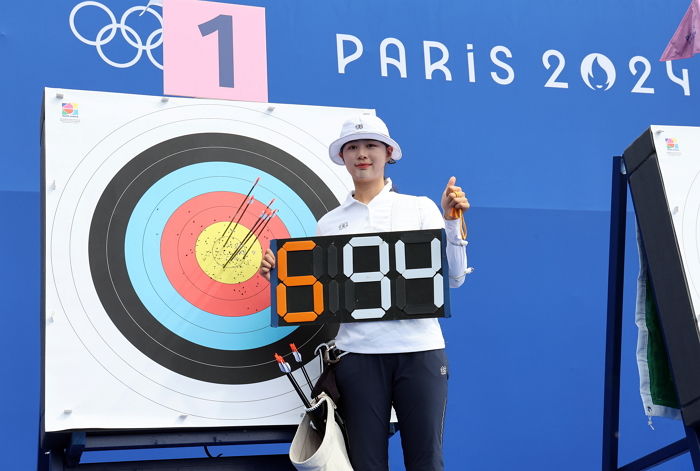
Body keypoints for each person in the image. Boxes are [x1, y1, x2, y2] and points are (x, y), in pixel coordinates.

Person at [260, 114, 469, 471]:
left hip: (419, 354)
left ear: (388, 153)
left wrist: (451, 223)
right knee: (365, 463)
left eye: (371, 145)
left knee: (427, 461)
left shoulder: (419, 207)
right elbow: (321, 297)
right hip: (357, 359)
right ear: (342, 157)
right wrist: (279, 278)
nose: (362, 154)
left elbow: (453, 278)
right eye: (352, 147)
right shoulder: (328, 223)